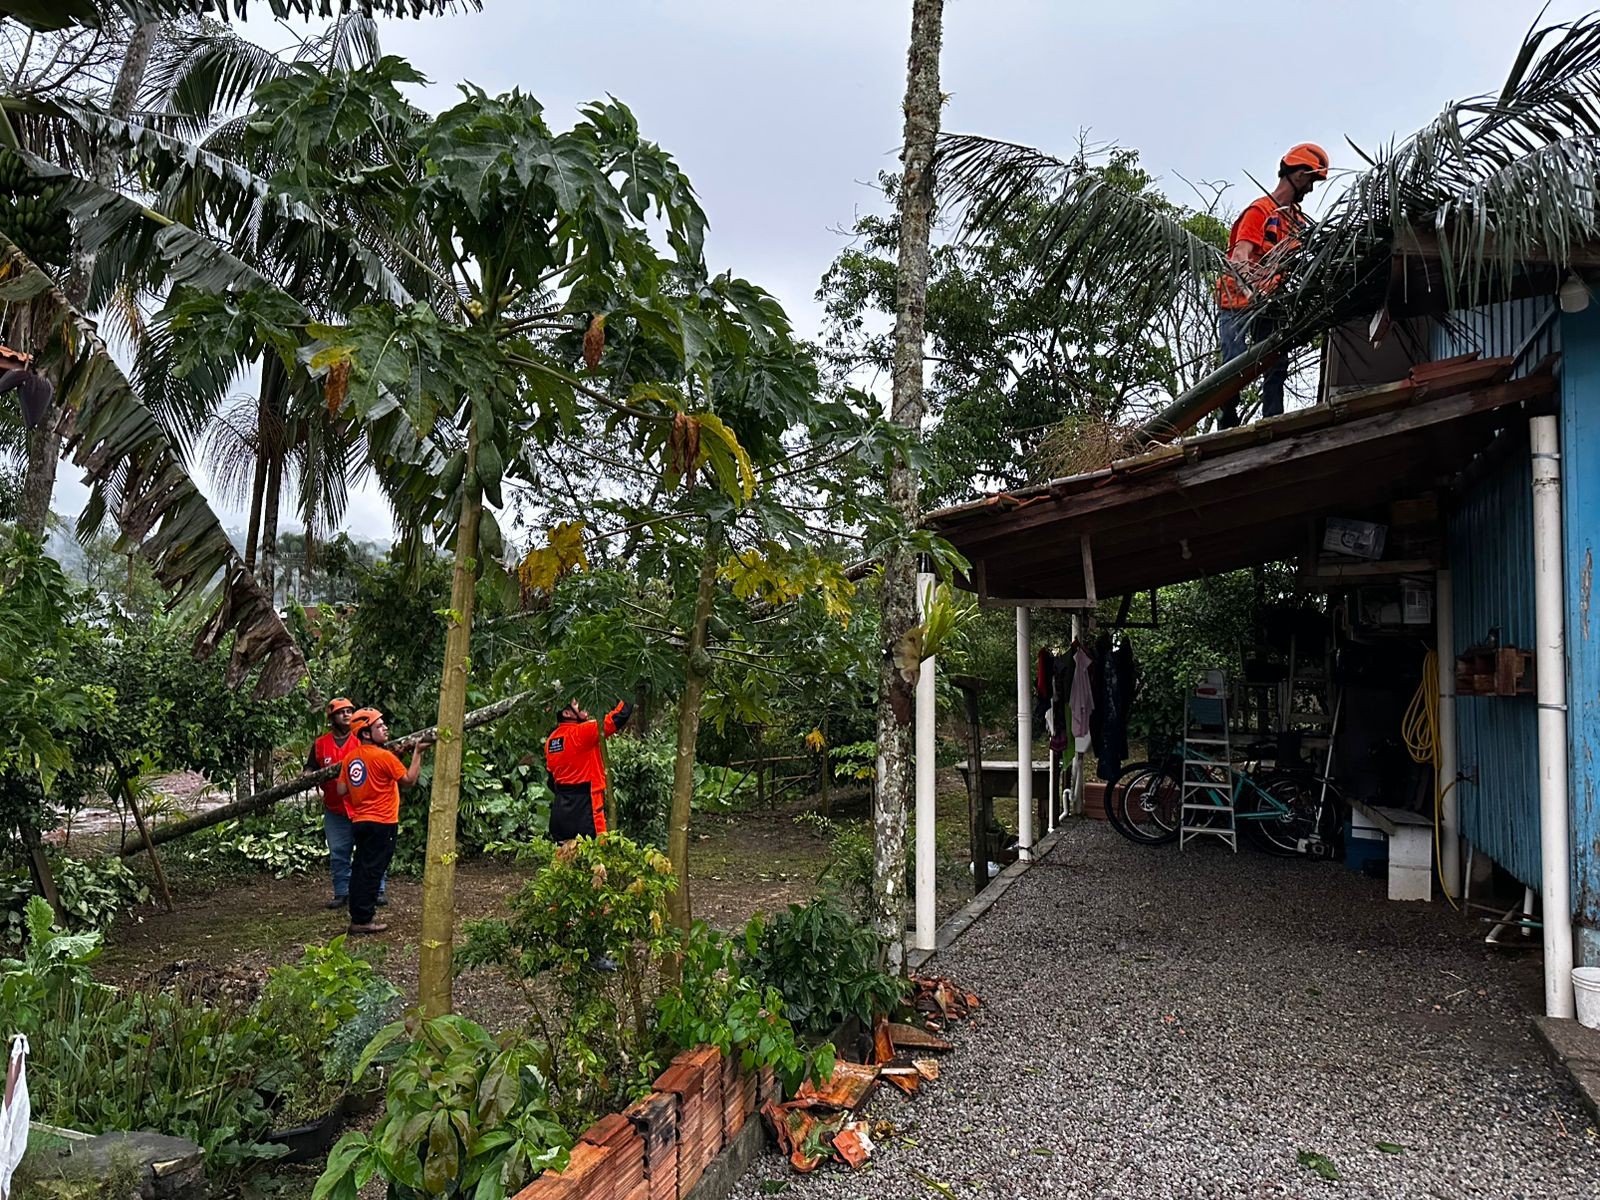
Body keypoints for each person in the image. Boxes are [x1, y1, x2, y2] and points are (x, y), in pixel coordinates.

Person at [1215, 142, 1329, 429]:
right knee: (1234, 366)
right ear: (1300, 175)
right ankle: (1227, 420)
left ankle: (1273, 421)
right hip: (1237, 301)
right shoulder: (1260, 211)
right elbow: (1239, 257)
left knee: (1276, 363)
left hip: (1270, 303)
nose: (1310, 189)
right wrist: (1252, 291)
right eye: (1311, 181)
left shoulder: (1298, 223)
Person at [338, 708, 431, 935]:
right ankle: (363, 919)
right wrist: (418, 753)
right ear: (366, 733)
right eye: (379, 726)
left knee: (361, 867)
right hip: (382, 821)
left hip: (360, 821)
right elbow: (409, 780)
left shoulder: (350, 758)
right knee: (373, 871)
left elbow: (341, 790)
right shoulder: (383, 757)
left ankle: (358, 915)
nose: (385, 728)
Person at [308, 697, 384, 910]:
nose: (347, 715)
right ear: (332, 718)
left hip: (363, 806)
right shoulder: (320, 744)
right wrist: (307, 775)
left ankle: (377, 889)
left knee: (369, 849)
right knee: (339, 852)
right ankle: (342, 892)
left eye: (349, 711)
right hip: (335, 809)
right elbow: (310, 767)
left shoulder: (361, 739)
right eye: (341, 712)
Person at [544, 698, 633, 841]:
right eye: (575, 703)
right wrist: (628, 693)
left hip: (561, 812)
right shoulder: (582, 732)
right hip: (586, 811)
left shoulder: (551, 741)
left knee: (564, 854)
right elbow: (618, 717)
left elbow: (551, 780)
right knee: (596, 851)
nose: (582, 704)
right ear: (566, 713)